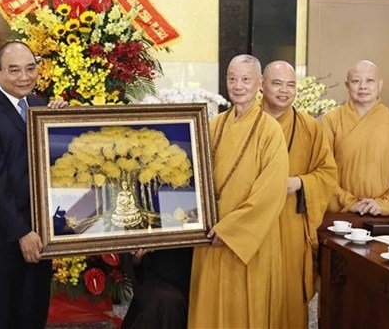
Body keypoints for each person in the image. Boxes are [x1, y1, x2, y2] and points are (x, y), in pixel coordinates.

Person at [0, 41, 66, 328]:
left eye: (30, 68)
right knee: (3, 317)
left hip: (40, 232)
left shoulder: (40, 106)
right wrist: (22, 232)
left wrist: (61, 118)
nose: (24, 77)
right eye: (14, 70)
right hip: (2, 238)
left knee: (33, 315)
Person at [188, 54, 289, 327]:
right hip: (210, 236)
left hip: (248, 241)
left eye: (246, 79)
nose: (238, 85)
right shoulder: (213, 125)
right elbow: (193, 175)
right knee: (208, 310)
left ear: (259, 84)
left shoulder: (270, 130)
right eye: (232, 79)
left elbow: (271, 191)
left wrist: (230, 229)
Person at [261, 60, 338, 328]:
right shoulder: (247, 122)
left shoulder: (309, 126)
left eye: (290, 85)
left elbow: (328, 172)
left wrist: (299, 182)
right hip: (252, 223)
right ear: (262, 84)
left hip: (291, 222)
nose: (284, 91)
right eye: (277, 83)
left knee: (289, 293)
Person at [321, 60, 389, 216]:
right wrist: (349, 202)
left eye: (369, 81)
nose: (363, 86)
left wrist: (382, 205)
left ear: (380, 85)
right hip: (342, 215)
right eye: (356, 81)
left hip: (384, 215)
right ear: (347, 86)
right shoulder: (331, 120)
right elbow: (322, 171)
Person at [121, 247, 193, 329]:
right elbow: (131, 260)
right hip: (153, 277)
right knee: (168, 301)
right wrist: (136, 256)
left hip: (200, 268)